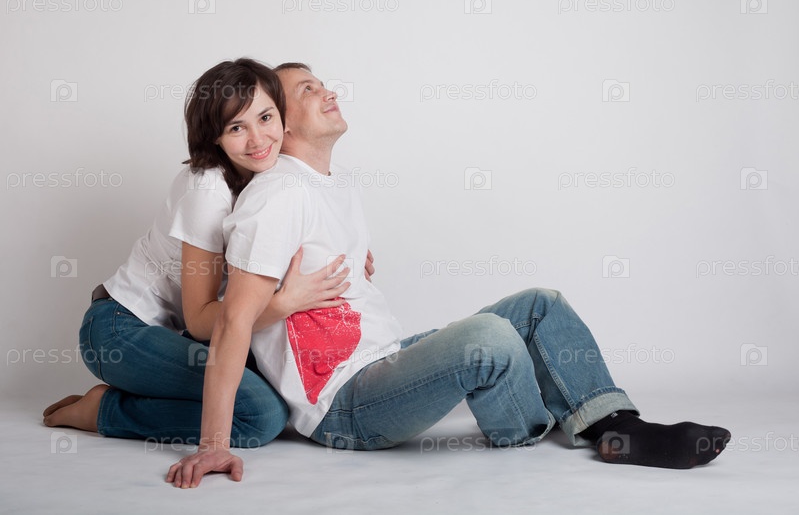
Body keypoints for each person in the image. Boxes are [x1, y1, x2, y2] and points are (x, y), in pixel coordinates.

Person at [167, 63, 731, 488]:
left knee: (542, 304)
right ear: (284, 127)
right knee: (491, 339)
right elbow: (232, 322)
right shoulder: (278, 196)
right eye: (307, 91)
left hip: (386, 359)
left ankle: (615, 427)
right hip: (344, 406)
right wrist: (213, 444)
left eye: (319, 83)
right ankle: (528, 426)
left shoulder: (332, 185)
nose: (327, 92)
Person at [42, 59, 365, 447]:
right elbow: (199, 320)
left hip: (183, 336)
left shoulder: (276, 178)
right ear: (214, 138)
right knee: (262, 415)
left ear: (283, 119)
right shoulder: (207, 190)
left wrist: (348, 251)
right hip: (120, 330)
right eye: (236, 128)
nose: (257, 139)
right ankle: (105, 410)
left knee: (283, 388)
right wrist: (285, 303)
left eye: (265, 118)